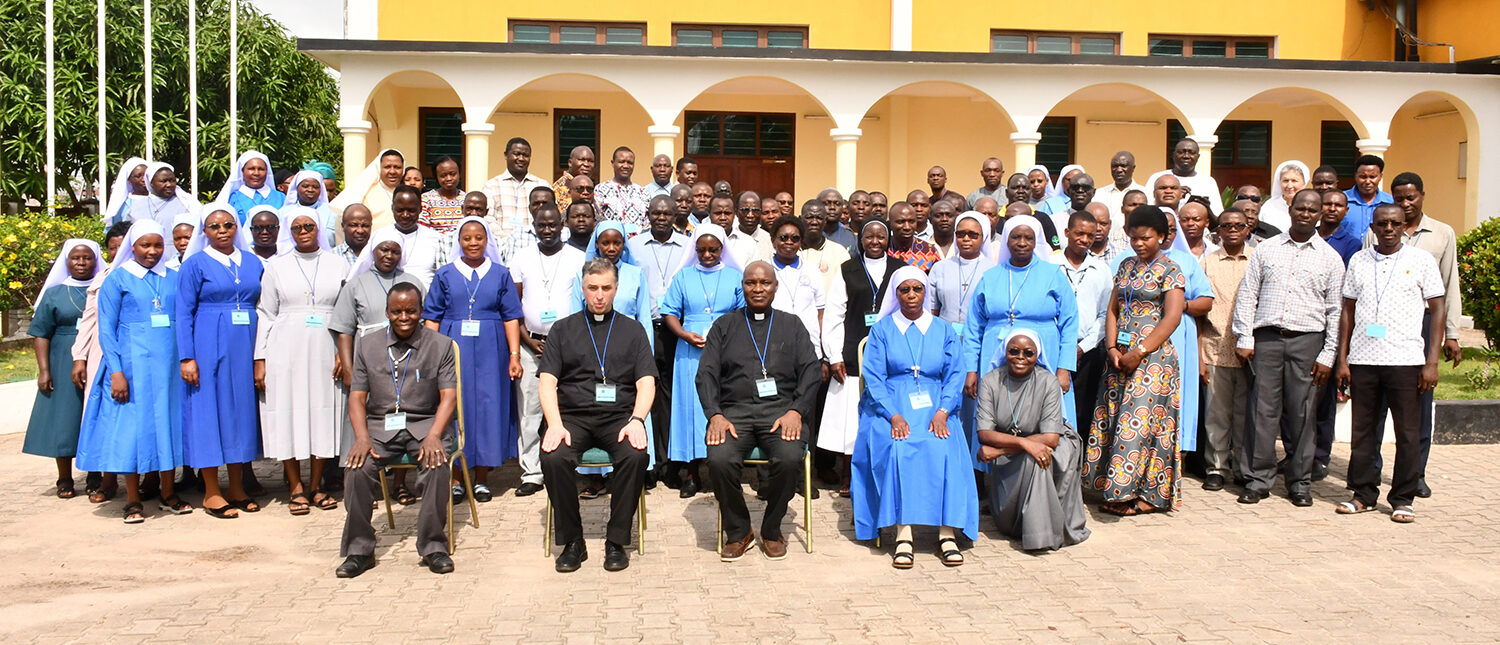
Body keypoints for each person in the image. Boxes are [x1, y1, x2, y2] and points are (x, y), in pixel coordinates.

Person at [853, 265, 977, 566]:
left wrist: (944, 411)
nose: (911, 295)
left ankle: (946, 534)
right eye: (904, 290)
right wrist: (893, 415)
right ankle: (903, 533)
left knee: (943, 446)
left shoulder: (944, 329)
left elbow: (955, 374)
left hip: (937, 405)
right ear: (895, 294)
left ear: (926, 292)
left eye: (917, 289)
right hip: (892, 405)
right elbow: (874, 377)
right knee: (899, 447)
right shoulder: (881, 330)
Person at [698, 262, 821, 561]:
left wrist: (796, 412)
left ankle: (771, 527)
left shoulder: (792, 325)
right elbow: (706, 374)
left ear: (775, 287)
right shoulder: (724, 326)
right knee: (719, 459)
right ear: (743, 286)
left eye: (764, 283)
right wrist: (715, 414)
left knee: (790, 457)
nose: (757, 289)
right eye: (751, 283)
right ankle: (739, 532)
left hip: (780, 413)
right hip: (734, 414)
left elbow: (811, 371)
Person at [540, 259, 657, 573]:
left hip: (618, 417)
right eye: (593, 288)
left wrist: (637, 420)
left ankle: (616, 540)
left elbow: (646, 381)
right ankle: (572, 541)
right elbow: (548, 381)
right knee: (553, 458)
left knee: (635, 456)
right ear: (583, 288)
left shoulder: (633, 331)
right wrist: (554, 424)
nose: (600, 295)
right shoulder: (563, 329)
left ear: (616, 289)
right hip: (571, 417)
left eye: (606, 288)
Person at [336, 283, 458, 578]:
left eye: (411, 311)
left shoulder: (440, 345)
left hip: (425, 423)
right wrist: (361, 437)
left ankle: (432, 546)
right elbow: (356, 396)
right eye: (397, 311)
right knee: (357, 466)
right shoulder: (366, 345)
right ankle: (359, 550)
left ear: (420, 311)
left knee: (437, 462)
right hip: (380, 425)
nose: (404, 317)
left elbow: (449, 397)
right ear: (387, 312)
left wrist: (433, 435)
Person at [1232, 189, 1344, 507]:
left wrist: (1328, 354)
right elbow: (1248, 295)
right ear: (1290, 210)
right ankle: (1257, 480)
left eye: (1312, 210)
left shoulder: (1330, 259)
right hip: (1267, 339)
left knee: (1302, 413)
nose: (1305, 214)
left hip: (1308, 341)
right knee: (1262, 411)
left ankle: (1299, 482)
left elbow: (1335, 311)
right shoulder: (1266, 250)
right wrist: (1245, 337)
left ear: (1320, 214)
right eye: (1300, 208)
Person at [1334, 204, 1444, 523]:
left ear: (1404, 225)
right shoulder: (1359, 260)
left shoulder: (1421, 260)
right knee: (1364, 431)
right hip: (1364, 359)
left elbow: (1437, 310)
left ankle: (1403, 498)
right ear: (1373, 226)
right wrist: (1343, 359)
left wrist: (1431, 361)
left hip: (1407, 360)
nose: (1389, 229)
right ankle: (1364, 494)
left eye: (1395, 223)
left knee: (1408, 432)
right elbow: (1347, 312)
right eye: (1382, 223)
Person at [75, 221, 190, 522]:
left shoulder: (175, 277)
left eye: (157, 245)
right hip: (131, 365)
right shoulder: (117, 278)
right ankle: (132, 498)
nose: (152, 252)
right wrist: (116, 371)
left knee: (166, 425)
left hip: (168, 364)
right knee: (131, 430)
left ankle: (168, 492)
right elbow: (107, 330)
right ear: (132, 247)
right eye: (144, 245)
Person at [1084, 205, 1186, 515]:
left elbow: (1173, 317)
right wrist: (1113, 348)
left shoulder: (1171, 270)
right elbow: (1114, 308)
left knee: (1141, 424)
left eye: (1146, 238)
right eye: (1134, 237)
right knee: (1115, 419)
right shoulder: (1126, 266)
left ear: (1163, 237)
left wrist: (1139, 352)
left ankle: (1143, 495)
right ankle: (1110, 487)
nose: (1139, 243)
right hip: (1119, 358)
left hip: (1153, 360)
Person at [1368, 172, 1461, 498]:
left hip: (1421, 324)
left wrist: (1452, 333)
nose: (1406, 204)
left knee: (1417, 405)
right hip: (1379, 326)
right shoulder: (1380, 229)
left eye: (1412, 197)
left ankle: (1414, 474)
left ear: (1423, 195)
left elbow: (1450, 287)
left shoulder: (1442, 234)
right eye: (1399, 197)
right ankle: (1372, 472)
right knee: (1375, 406)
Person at [423, 216, 524, 503]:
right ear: (459, 241)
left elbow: (511, 317)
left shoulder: (501, 273)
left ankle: (481, 479)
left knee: (488, 409)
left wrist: (514, 355)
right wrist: (431, 355)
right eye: (467, 238)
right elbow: (431, 317)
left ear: (487, 240)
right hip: (452, 347)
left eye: (478, 237)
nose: (473, 243)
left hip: (493, 350)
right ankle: (456, 478)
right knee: (456, 408)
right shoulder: (444, 274)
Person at [254, 206, 345, 515]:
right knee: (288, 412)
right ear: (288, 232)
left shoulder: (338, 264)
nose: (303, 231)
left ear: (318, 228)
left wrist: (343, 353)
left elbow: (346, 313)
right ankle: (295, 486)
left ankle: (317, 485)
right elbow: (265, 314)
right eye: (296, 227)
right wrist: (260, 359)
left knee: (323, 412)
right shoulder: (276, 267)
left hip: (326, 345)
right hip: (285, 347)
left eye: (309, 226)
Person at [177, 205, 265, 518]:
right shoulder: (196, 264)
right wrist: (187, 356)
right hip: (208, 341)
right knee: (209, 412)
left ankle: (237, 487)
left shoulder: (253, 261)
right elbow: (183, 311)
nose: (222, 230)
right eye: (214, 226)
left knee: (241, 411)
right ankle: (212, 491)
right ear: (205, 232)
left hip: (246, 341)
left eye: (228, 224)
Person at [976, 329, 1089, 550]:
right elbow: (984, 433)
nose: (1020, 357)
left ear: (1037, 355)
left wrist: (1000, 450)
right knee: (1033, 452)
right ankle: (1020, 522)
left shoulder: (1048, 382)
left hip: (1052, 446)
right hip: (1015, 447)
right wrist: (1023, 443)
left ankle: (1040, 534)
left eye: (1028, 353)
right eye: (1014, 351)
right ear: (1004, 352)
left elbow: (1051, 437)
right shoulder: (990, 381)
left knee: (1038, 457)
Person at [964, 215, 1079, 427]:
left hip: (1046, 356)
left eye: (1029, 238)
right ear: (1007, 240)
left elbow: (1070, 323)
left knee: (1046, 416)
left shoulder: (1053, 274)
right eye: (1016, 237)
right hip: (995, 355)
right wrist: (971, 369)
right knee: (994, 416)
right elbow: (973, 328)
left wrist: (1064, 368)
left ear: (1037, 242)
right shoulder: (990, 276)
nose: (1022, 243)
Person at [571, 221, 657, 493]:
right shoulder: (581, 274)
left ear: (624, 244)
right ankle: (595, 477)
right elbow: (575, 318)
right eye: (604, 242)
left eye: (616, 242)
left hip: (627, 351)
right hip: (591, 351)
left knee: (634, 408)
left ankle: (631, 473)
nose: (610, 248)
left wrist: (645, 359)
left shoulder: (635, 273)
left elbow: (644, 317)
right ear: (596, 243)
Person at [820, 219, 905, 495]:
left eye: (881, 236)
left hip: (892, 351)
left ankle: (884, 473)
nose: (876, 241)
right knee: (851, 419)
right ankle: (848, 474)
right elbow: (834, 314)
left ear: (888, 239)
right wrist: (833, 355)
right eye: (870, 236)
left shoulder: (900, 270)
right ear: (861, 239)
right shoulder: (848, 269)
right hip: (852, 351)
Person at [662, 225, 746, 498]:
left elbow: (743, 312)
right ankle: (692, 474)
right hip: (690, 350)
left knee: (723, 406)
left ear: (723, 249)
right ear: (694, 250)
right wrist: (684, 334)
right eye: (701, 250)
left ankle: (723, 470)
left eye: (713, 249)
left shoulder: (735, 277)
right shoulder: (683, 277)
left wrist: (727, 341)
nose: (707, 254)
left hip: (727, 349)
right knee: (691, 410)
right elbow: (670, 313)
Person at [25, 239, 104, 499]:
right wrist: (44, 370)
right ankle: (65, 477)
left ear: (96, 260)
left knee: (93, 415)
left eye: (87, 258)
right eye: (75, 258)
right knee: (65, 419)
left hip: (97, 358)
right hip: (62, 360)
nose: (81, 263)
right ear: (66, 261)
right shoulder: (55, 293)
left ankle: (95, 475)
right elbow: (41, 334)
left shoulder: (105, 286)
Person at [628, 196, 691, 479]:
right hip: (644, 329)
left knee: (671, 395)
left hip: (676, 331)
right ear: (648, 214)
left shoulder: (688, 246)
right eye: (656, 213)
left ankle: (671, 463)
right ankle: (648, 462)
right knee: (645, 394)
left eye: (667, 213)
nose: (662, 217)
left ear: (675, 214)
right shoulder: (633, 246)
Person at [70, 222, 131, 501]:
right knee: (108, 414)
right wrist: (80, 357)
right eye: (112, 248)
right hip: (102, 352)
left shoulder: (155, 273)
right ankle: (108, 479)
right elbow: (88, 320)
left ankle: (152, 478)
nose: (118, 252)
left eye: (123, 246)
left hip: (140, 350)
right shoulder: (103, 277)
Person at [1198, 208, 1254, 492]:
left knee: (1246, 414)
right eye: (1226, 226)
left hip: (1248, 350)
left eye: (1238, 225)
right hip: (1214, 347)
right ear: (1218, 231)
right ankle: (1216, 467)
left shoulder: (1257, 259)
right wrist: (1199, 358)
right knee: (1216, 415)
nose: (1232, 230)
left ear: (1248, 229)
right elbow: (1197, 311)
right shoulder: (1207, 262)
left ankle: (1243, 468)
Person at [1050, 211, 1111, 428]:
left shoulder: (1102, 271)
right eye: (1079, 234)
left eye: (1090, 236)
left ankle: (1080, 459)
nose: (1085, 240)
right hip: (1052, 349)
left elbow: (1105, 315)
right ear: (1067, 232)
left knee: (1083, 412)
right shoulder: (1049, 266)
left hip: (1087, 352)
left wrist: (1082, 348)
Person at [768, 217, 826, 362]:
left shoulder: (812, 270)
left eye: (795, 238)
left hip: (809, 349)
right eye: (783, 237)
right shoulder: (763, 269)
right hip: (774, 349)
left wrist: (823, 353)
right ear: (773, 240)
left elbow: (821, 314)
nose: (789, 242)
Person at [379, 185, 446, 287]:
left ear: (420, 209)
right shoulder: (380, 236)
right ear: (392, 208)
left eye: (411, 210)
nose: (405, 215)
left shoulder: (436, 238)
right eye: (400, 210)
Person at [330, 148, 404, 230]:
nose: (392, 171)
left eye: (397, 167)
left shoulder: (409, 192)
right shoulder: (365, 194)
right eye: (387, 167)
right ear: (379, 168)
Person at [1146, 139, 1223, 215]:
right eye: (1181, 152)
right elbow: (1146, 207)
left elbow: (1217, 215)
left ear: (1198, 157)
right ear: (1173, 155)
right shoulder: (1158, 177)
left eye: (1191, 153)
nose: (1186, 156)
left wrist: (1204, 207)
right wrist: (1174, 194)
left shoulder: (1208, 182)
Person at [798, 201, 854, 297]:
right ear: (800, 219)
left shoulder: (839, 252)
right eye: (809, 217)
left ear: (825, 221)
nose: (814, 222)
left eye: (819, 218)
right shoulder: (790, 250)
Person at [129, 163, 201, 230]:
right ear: (151, 183)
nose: (169, 184)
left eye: (172, 180)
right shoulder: (137, 206)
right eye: (163, 181)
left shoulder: (186, 204)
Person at [595, 146, 650, 233]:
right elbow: (596, 218)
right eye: (621, 162)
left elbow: (648, 221)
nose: (626, 166)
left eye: (630, 163)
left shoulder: (643, 192)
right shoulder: (601, 189)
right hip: (612, 243)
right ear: (613, 163)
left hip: (638, 243)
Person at [223, 151, 285, 224]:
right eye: (251, 169)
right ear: (242, 171)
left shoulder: (281, 197)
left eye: (261, 169)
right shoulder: (232, 199)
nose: (256, 173)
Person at [1095, 151, 1143, 243]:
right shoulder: (1099, 194)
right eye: (1115, 166)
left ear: (1133, 168)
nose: (1119, 170)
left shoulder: (1144, 194)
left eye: (1124, 166)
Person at [282, 169, 339, 247]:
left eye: (315, 187)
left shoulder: (332, 213)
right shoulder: (284, 213)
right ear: (297, 188)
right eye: (305, 186)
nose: (310, 190)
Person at [1341, 155, 1394, 238]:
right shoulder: (1341, 201)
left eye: (1372, 177)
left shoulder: (1391, 203)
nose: (1368, 181)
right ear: (1355, 176)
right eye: (1363, 177)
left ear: (1380, 176)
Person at [419, 155, 466, 235]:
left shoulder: (467, 199)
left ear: (459, 174)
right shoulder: (426, 199)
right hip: (434, 243)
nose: (448, 178)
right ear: (436, 177)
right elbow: (423, 226)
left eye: (452, 174)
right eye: (443, 176)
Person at [1259, 160, 1310, 233]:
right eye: (1285, 181)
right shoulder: (1269, 206)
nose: (1289, 186)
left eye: (1294, 181)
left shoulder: (1311, 205)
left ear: (1304, 183)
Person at [887, 203, 940, 271]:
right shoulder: (882, 249)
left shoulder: (930, 251)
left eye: (911, 222)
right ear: (890, 223)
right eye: (900, 222)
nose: (907, 227)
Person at [726, 191, 773, 266]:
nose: (750, 215)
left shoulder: (769, 240)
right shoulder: (727, 239)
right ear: (736, 212)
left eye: (755, 211)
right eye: (745, 210)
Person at [102, 157, 149, 226]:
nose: (143, 179)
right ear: (129, 179)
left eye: (146, 175)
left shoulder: (158, 200)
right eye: (138, 176)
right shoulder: (123, 206)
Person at [1318, 190, 1361, 265]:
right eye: (1328, 204)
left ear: (1346, 211)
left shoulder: (1352, 243)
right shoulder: (1307, 236)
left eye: (1338, 205)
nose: (1332, 209)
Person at [551, 145, 595, 211]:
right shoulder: (560, 188)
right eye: (582, 160)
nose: (586, 164)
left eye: (590, 161)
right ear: (570, 163)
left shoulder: (589, 187)